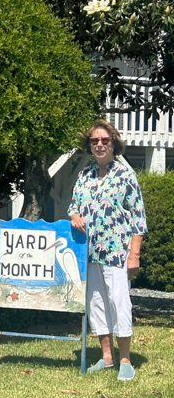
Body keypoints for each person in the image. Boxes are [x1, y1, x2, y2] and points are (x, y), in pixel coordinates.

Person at [68, 119, 147, 382]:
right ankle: (107, 357)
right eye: (95, 141)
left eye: (105, 140)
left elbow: (138, 219)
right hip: (89, 253)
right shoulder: (85, 175)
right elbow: (74, 206)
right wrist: (74, 216)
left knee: (119, 302)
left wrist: (134, 255)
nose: (100, 144)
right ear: (89, 145)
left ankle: (125, 360)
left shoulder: (126, 175)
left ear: (113, 143)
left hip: (117, 253)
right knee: (96, 303)